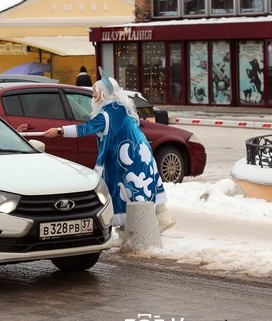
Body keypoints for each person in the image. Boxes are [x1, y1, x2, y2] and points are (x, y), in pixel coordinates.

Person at [42, 69, 174, 234]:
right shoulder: (123, 108)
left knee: (125, 189)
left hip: (123, 157)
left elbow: (85, 129)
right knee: (146, 183)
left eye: (95, 93)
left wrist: (60, 130)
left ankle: (132, 227)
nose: (93, 97)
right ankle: (162, 217)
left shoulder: (106, 114)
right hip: (141, 152)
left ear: (103, 94)